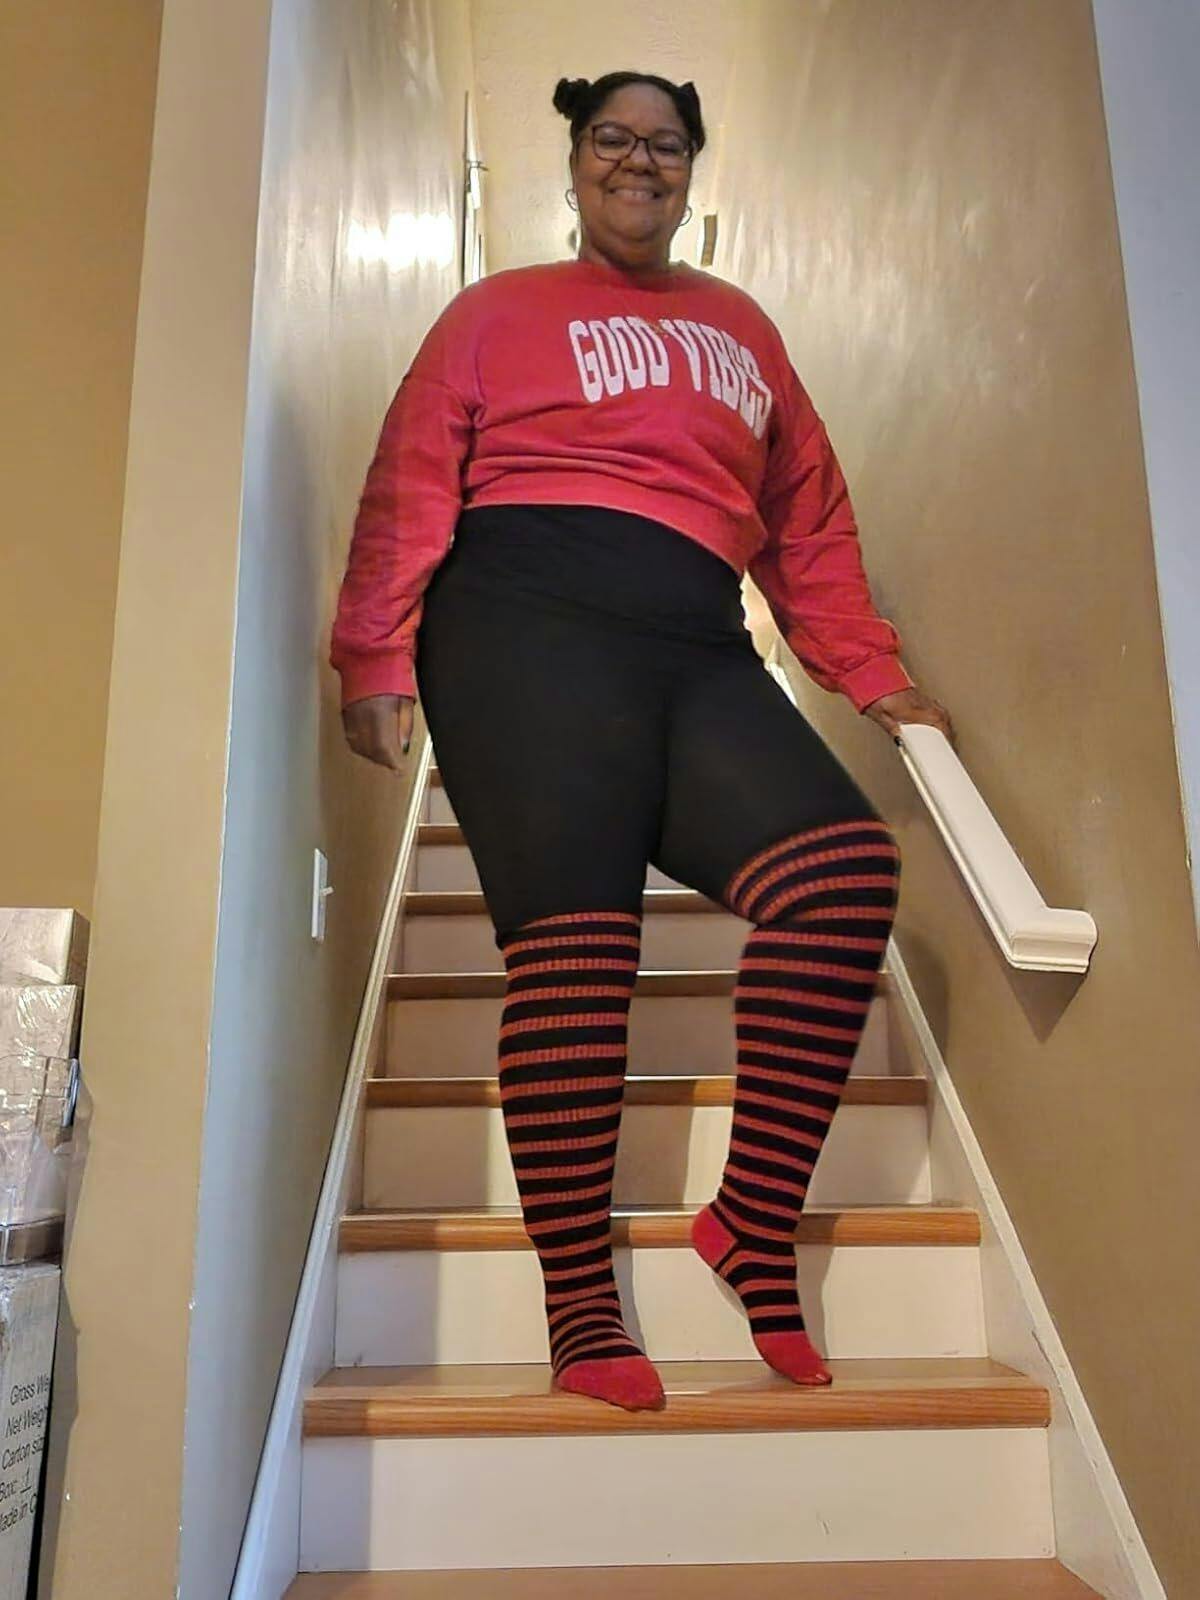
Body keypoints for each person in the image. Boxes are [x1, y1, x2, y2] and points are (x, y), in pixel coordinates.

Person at [332, 70, 951, 1414]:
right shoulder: (493, 312)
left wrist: (872, 675)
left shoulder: (744, 328)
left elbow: (809, 521)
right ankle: (581, 1303)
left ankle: (752, 1218)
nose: (638, 160)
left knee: (842, 874)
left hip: (697, 638)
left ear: (691, 172)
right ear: (574, 164)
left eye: (665, 144)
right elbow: (412, 474)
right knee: (579, 957)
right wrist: (374, 651)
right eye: (611, 137)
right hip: (521, 625)